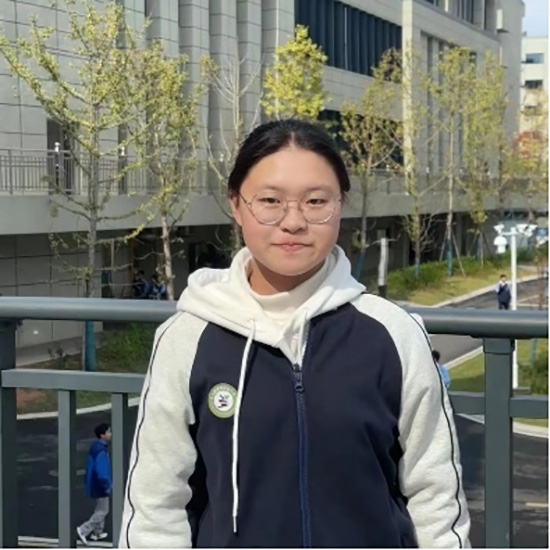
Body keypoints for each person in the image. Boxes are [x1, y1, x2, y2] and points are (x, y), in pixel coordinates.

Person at [119, 120, 470, 548]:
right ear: (236, 204)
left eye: (315, 201)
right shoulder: (187, 338)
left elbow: (435, 494)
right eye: (270, 201)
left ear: (340, 205)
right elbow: (155, 504)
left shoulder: (394, 335)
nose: (293, 222)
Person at [77, 423, 112, 545]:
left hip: (94, 482)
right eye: (108, 432)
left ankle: (97, 532)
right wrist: (107, 484)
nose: (110, 434)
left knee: (100, 508)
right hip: (100, 484)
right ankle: (84, 529)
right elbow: (102, 471)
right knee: (103, 511)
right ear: (102, 435)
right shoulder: (101, 451)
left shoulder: (96, 446)